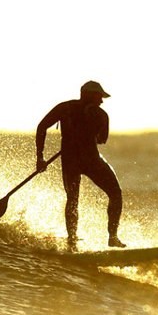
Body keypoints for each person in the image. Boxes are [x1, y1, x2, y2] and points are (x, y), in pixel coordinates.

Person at [35, 80, 125, 251]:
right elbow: (42, 126)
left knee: (114, 193)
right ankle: (73, 240)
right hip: (80, 161)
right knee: (74, 199)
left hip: (85, 160)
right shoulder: (70, 109)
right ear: (89, 95)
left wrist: (41, 156)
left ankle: (111, 237)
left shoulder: (90, 113)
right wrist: (40, 157)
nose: (101, 101)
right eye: (99, 97)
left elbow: (100, 139)